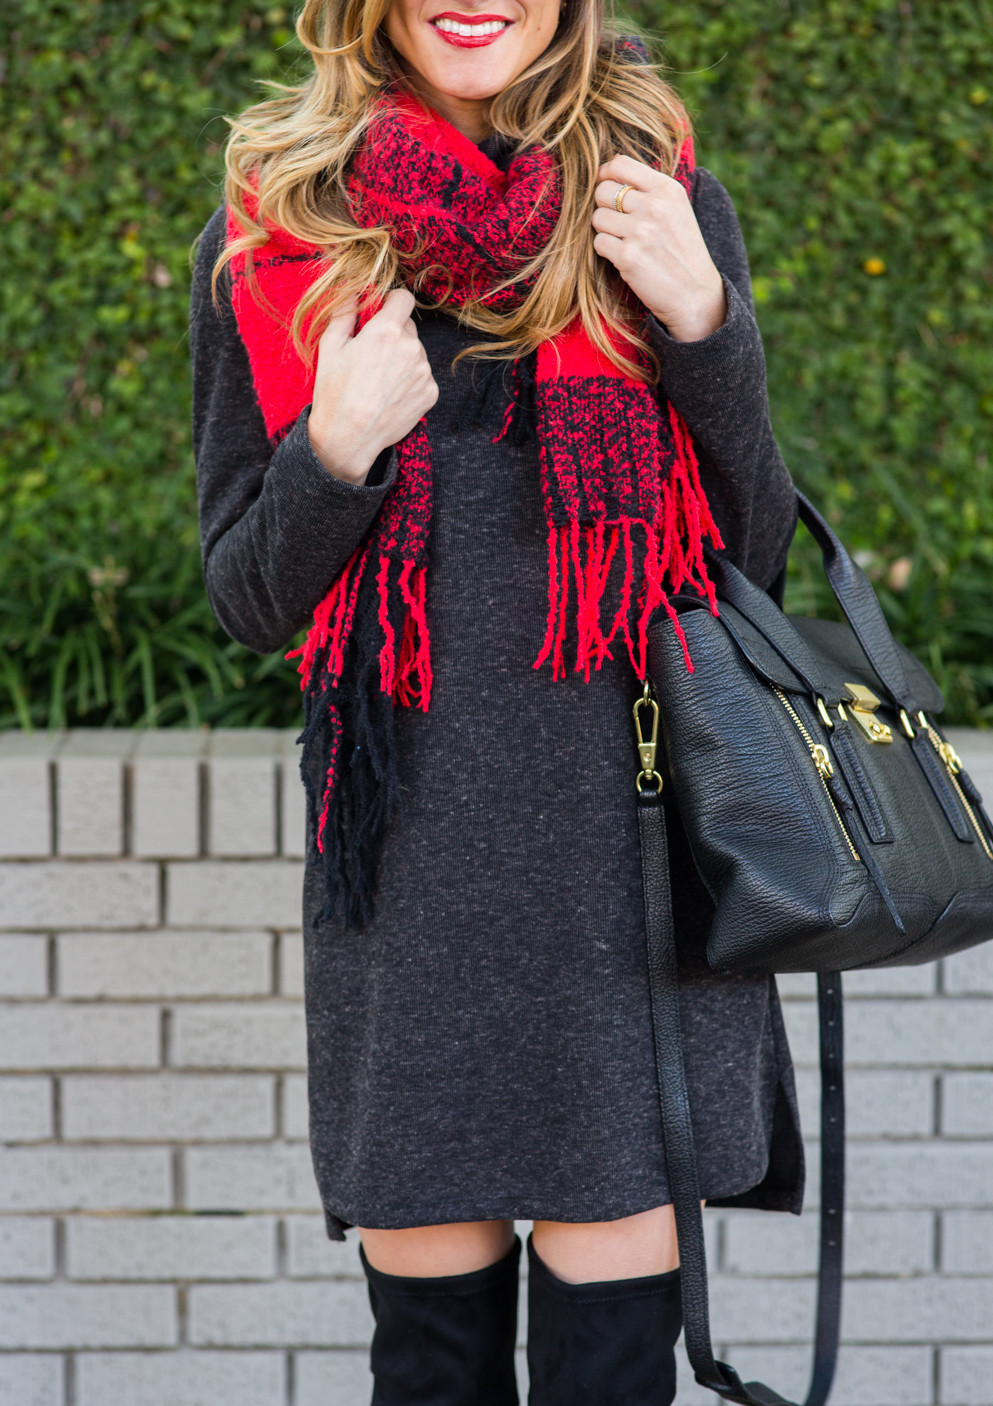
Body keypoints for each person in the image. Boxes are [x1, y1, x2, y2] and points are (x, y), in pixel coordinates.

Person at [190, 0, 804, 1399]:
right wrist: (333, 451)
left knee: (608, 1375)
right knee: (430, 1368)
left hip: (629, 882)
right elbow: (247, 594)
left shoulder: (657, 197)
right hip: (410, 901)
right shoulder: (278, 224)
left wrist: (704, 321)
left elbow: (750, 558)